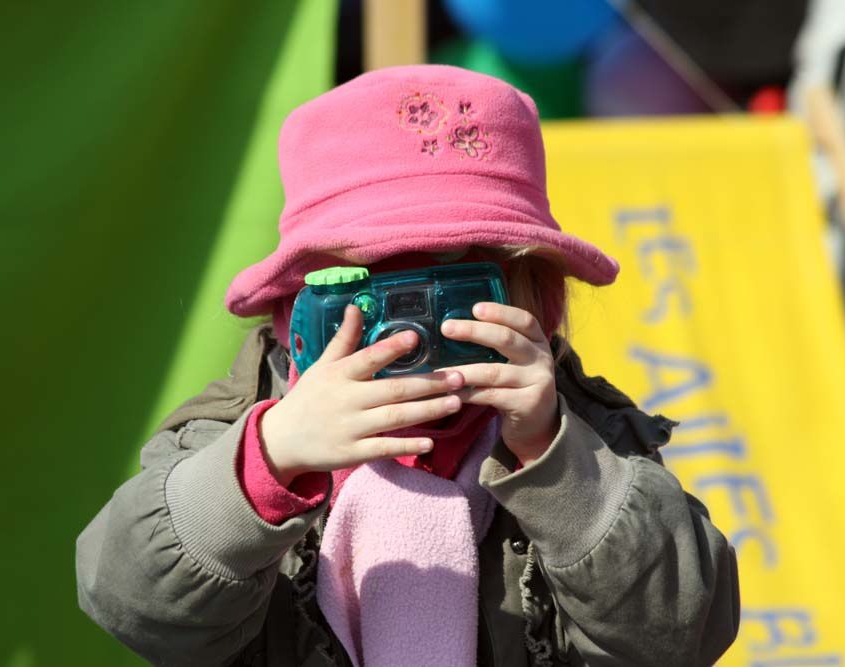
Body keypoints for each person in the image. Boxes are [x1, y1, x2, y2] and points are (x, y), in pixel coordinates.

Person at [75, 64, 740, 667]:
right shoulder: (243, 424)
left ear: (536, 291)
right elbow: (128, 598)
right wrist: (267, 462)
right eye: (365, 287)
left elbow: (681, 636)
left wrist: (559, 463)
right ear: (295, 305)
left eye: (457, 282)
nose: (409, 331)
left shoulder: (582, 435)